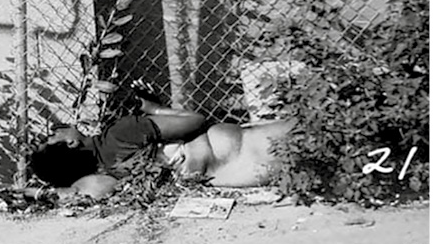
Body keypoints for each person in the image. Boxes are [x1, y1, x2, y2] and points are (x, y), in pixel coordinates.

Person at [26, 80, 295, 201]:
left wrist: (38, 192)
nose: (57, 129)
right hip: (238, 145)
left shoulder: (103, 175)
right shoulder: (120, 133)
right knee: (320, 136)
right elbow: (195, 120)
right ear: (70, 145)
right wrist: (149, 107)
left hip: (236, 175)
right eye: (52, 136)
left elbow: (78, 193)